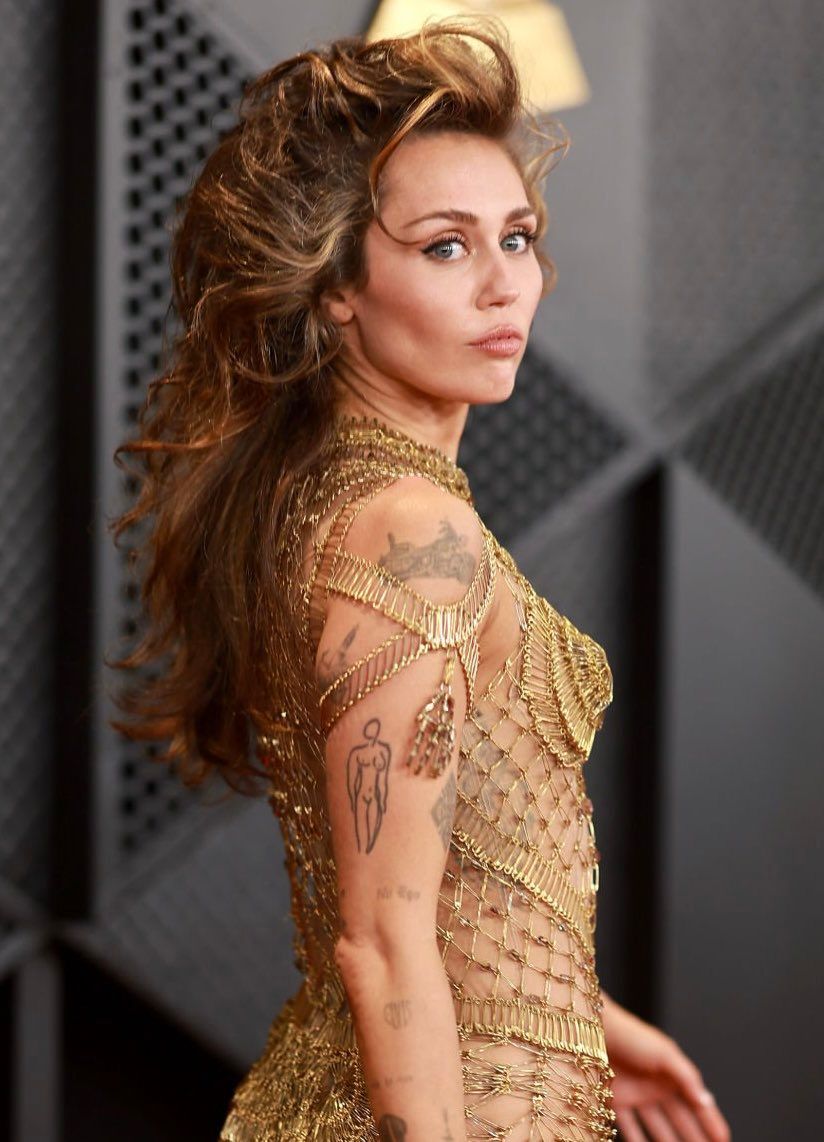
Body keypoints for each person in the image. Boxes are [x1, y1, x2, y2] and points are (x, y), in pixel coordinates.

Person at [107, 17, 732, 1142]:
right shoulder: (406, 530)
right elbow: (380, 940)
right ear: (336, 285)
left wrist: (577, 1021)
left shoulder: (331, 497)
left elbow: (438, 879)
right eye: (446, 247)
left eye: (517, 237)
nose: (505, 286)